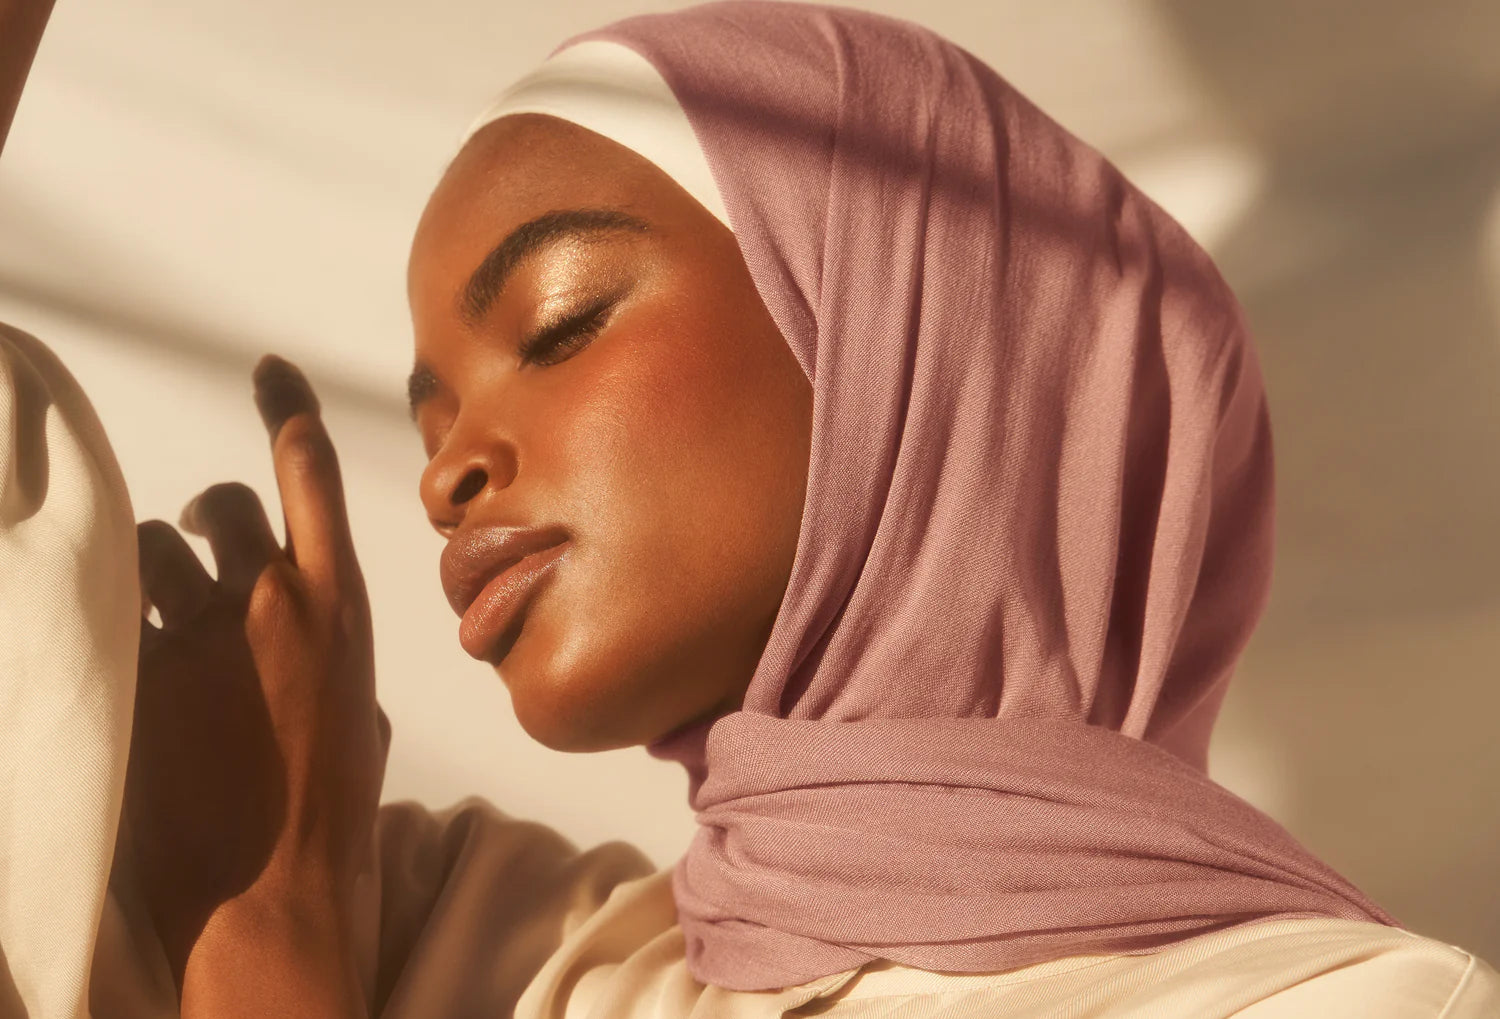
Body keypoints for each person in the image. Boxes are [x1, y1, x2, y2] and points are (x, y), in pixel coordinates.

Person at [3, 1, 1498, 1016]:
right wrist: (270, 850)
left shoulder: (1347, 1007)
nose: (445, 475)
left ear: (908, 344)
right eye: (431, 418)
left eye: (559, 323)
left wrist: (269, 950)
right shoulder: (477, 941)